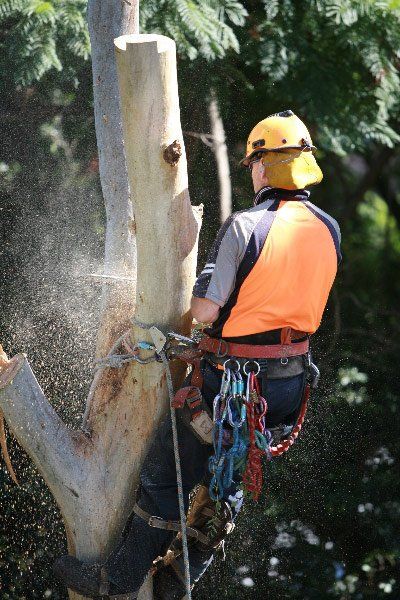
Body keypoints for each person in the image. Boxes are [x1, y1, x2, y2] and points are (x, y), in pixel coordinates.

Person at [53, 110, 341, 599]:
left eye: (254, 162)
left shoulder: (247, 226)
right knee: (227, 479)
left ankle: (118, 581)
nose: (251, 170)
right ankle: (181, 581)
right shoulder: (328, 228)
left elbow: (205, 308)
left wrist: (203, 296)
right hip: (288, 388)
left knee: (166, 476)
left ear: (266, 165)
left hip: (230, 384)